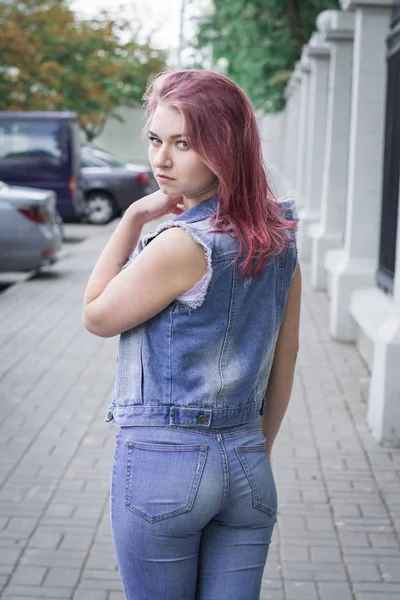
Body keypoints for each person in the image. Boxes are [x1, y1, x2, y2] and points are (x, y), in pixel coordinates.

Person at [83, 69, 301, 600]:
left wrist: (133, 218)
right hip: (248, 461)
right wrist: (252, 450)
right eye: (156, 140)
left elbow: (95, 316)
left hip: (164, 466)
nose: (162, 159)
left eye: (185, 143)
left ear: (225, 147)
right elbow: (285, 355)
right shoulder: (277, 236)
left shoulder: (182, 243)